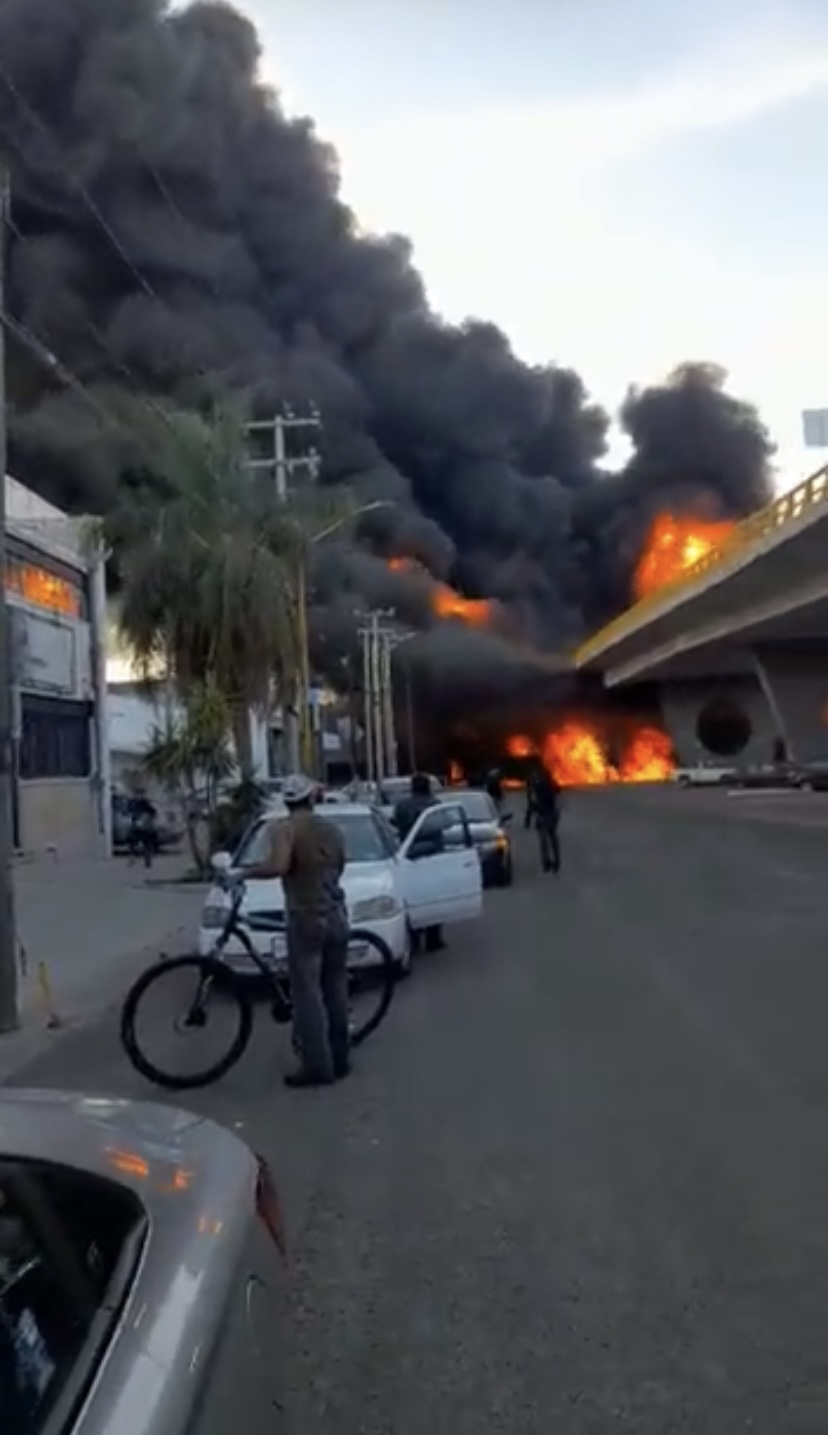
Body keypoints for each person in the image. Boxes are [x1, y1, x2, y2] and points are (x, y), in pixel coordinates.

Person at [239, 772, 351, 1088]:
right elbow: (341, 865)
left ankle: (317, 1067)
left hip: (305, 918)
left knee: (308, 995)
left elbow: (278, 866)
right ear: (312, 797)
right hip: (336, 915)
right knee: (336, 990)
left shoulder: (284, 829)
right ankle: (341, 1058)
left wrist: (244, 873)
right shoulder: (332, 830)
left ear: (286, 801)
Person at [392, 773, 445, 953]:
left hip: (410, 856)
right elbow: (444, 825)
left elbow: (397, 825)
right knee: (433, 897)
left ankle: (414, 939)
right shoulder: (435, 805)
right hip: (433, 857)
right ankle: (433, 938)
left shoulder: (402, 806)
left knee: (412, 898)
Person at [526, 763, 562, 874]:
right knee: (549, 837)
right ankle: (553, 861)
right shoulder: (545, 785)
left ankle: (549, 861)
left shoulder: (541, 785)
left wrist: (528, 818)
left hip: (546, 814)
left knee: (546, 838)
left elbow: (532, 803)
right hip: (548, 814)